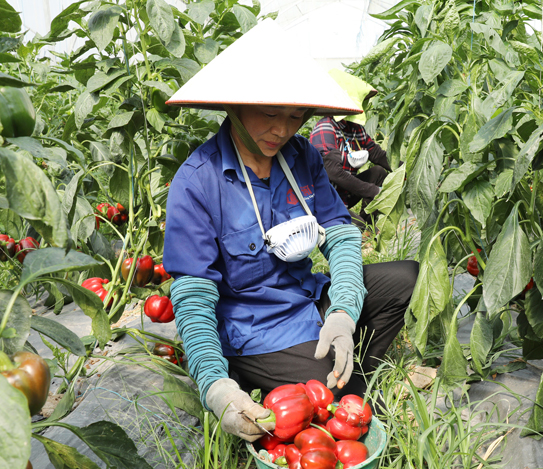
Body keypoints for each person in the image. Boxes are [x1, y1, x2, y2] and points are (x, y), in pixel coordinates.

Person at [161, 20, 418, 442]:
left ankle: (347, 366)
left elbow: (340, 232)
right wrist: (215, 385)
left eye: (295, 116)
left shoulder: (301, 157)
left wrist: (342, 311)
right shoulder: (198, 181)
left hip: (306, 301)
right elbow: (192, 294)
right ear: (234, 105)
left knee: (404, 279)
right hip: (254, 329)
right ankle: (308, 377)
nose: (281, 130)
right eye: (268, 114)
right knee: (340, 407)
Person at [309, 70, 392, 229]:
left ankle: (367, 226)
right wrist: (373, 190)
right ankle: (361, 228)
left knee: (378, 172)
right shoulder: (326, 127)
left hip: (344, 194)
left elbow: (377, 154)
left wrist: (405, 170)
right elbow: (333, 172)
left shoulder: (355, 129)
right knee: (357, 227)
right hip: (326, 199)